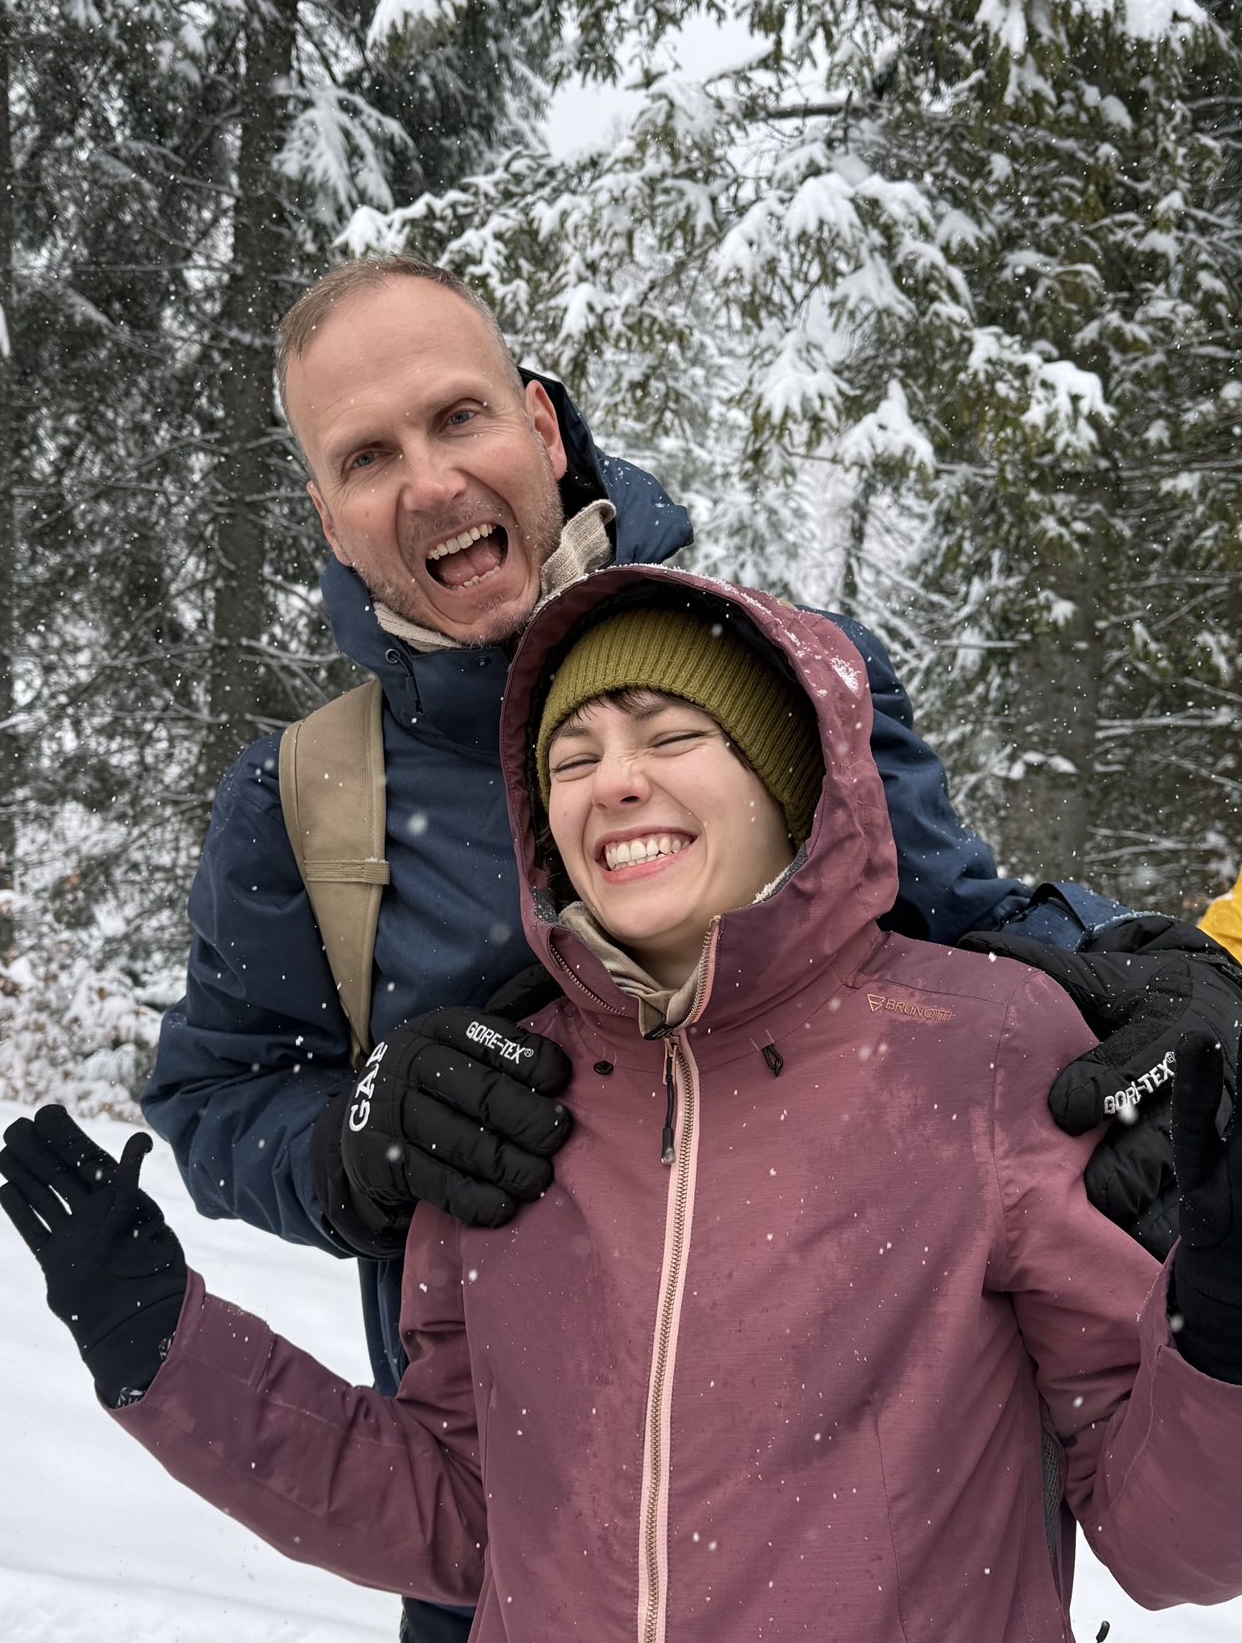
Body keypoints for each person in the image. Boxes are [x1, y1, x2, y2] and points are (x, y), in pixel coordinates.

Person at [140, 255, 1242, 1643]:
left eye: (457, 417)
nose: (427, 482)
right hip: (523, 1543)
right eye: (366, 455)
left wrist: (1146, 967)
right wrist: (352, 1142)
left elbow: (947, 926)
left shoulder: (789, 676)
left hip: (865, 1543)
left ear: (540, 425)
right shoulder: (303, 799)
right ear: (325, 512)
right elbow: (213, 1099)